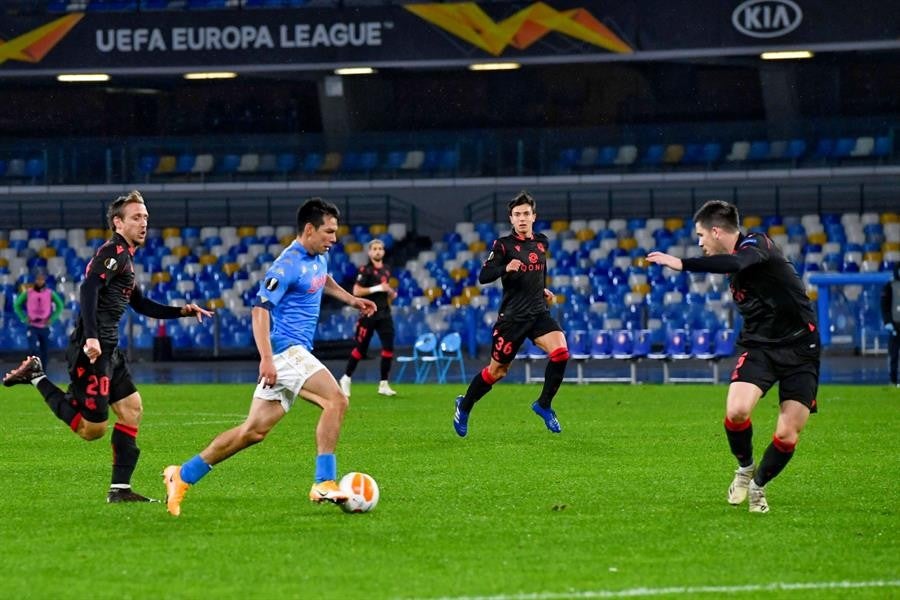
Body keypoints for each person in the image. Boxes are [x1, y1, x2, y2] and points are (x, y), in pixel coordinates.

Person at [162, 198, 377, 517]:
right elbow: (260, 309)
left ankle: (182, 475)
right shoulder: (286, 264)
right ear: (309, 229)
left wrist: (351, 299)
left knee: (253, 432)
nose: (334, 238)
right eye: (329, 232)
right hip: (285, 350)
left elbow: (323, 280)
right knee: (336, 400)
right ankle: (324, 481)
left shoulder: (320, 256)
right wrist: (266, 358)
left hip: (294, 352)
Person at [2, 190, 213, 503]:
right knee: (92, 430)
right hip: (94, 349)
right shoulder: (112, 252)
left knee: (131, 409)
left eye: (145, 218)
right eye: (136, 218)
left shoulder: (125, 257)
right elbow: (89, 288)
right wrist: (91, 336)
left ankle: (120, 490)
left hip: (109, 348)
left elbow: (140, 303)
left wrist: (181, 310)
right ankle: (36, 375)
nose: (144, 223)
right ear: (118, 223)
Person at [646, 200, 820, 513]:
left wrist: (682, 264)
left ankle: (758, 487)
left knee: (787, 433)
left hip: (801, 348)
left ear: (716, 231)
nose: (699, 243)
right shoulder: (730, 260)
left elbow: (740, 263)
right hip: (759, 347)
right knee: (737, 411)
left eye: (701, 235)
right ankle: (745, 469)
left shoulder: (758, 244)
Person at [453, 191, 569, 437]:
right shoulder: (502, 245)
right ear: (511, 219)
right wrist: (505, 267)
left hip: (538, 313)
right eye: (517, 215)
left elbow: (538, 271)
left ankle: (544, 405)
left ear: (534, 217)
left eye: (526, 214)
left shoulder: (541, 242)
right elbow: (484, 276)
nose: (522, 218)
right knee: (497, 372)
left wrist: (541, 288)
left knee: (561, 353)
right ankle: (464, 406)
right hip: (512, 319)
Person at [339, 238, 399, 398]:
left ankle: (384, 384)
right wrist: (378, 287)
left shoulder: (386, 269)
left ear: (384, 251)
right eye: (375, 248)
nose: (378, 251)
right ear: (370, 252)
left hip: (385, 313)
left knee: (388, 348)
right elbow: (356, 291)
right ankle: (346, 378)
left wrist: (391, 293)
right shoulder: (365, 270)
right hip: (369, 314)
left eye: (380, 248)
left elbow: (386, 292)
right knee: (361, 349)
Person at [14, 271, 64, 367]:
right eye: (38, 279)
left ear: (44, 281)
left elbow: (60, 305)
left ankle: (43, 372)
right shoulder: (28, 293)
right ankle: (33, 371)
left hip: (44, 325)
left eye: (42, 279)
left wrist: (52, 318)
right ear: (35, 280)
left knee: (44, 351)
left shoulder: (50, 293)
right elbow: (17, 304)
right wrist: (23, 317)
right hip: (32, 325)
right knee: (33, 350)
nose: (40, 281)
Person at [881, 263, 900, 387]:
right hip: (895, 327)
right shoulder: (889, 286)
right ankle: (893, 381)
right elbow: (884, 306)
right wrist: (888, 322)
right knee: (894, 355)